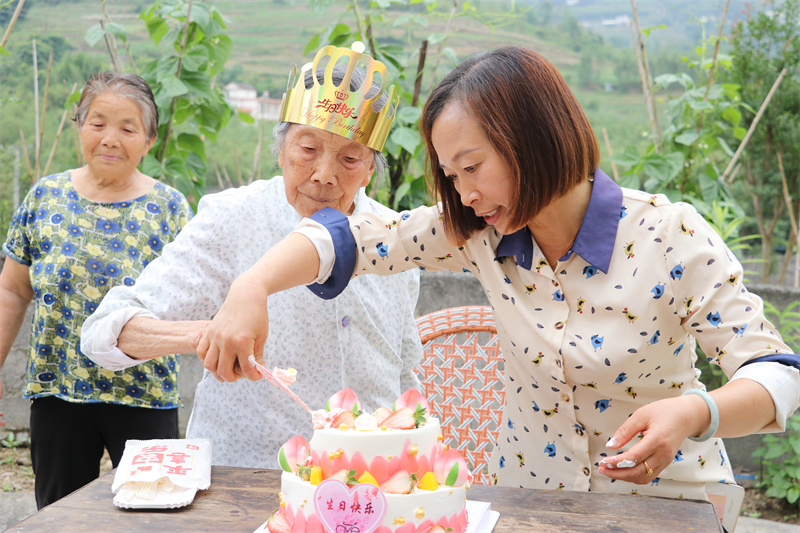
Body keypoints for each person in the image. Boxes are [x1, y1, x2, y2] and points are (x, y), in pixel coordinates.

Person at [198, 46, 800, 506]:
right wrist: (251, 286)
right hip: (527, 501)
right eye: (451, 176)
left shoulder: (670, 236)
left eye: (472, 167)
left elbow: (775, 374)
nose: (464, 193)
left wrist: (694, 413)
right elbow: (351, 237)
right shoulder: (481, 234)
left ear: (534, 139)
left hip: (665, 505)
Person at [80, 42, 423, 469]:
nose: (324, 175)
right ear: (280, 150)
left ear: (371, 168)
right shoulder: (233, 219)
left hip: (372, 478)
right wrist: (210, 334)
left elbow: (404, 369)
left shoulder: (397, 236)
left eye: (350, 158)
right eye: (308, 149)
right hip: (248, 475)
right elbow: (104, 332)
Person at [0, 72, 193, 508]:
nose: (110, 138)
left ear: (148, 140)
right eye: (98, 123)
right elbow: (12, 291)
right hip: (58, 392)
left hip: (145, 393)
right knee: (60, 515)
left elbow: (193, 297)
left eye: (127, 128)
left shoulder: (170, 209)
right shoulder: (45, 198)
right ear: (80, 127)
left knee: (154, 514)